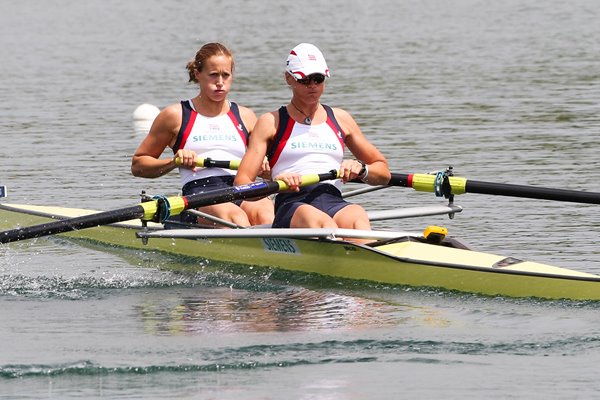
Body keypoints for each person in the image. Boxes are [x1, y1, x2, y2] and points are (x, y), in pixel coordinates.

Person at [234, 43, 390, 232]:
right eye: (305, 79)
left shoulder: (341, 119)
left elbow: (383, 172)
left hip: (332, 199)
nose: (313, 86)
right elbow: (241, 183)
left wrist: (362, 169)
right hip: (292, 204)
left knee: (357, 216)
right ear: (288, 78)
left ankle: (366, 257)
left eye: (318, 79)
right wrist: (275, 185)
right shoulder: (271, 122)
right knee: (324, 224)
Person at [131, 42, 274, 227]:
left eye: (226, 75)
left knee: (268, 216)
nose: (220, 82)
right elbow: (138, 164)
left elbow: (272, 164)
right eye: (213, 75)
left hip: (243, 187)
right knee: (236, 219)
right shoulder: (176, 115)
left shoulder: (246, 116)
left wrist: (266, 168)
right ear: (198, 74)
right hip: (200, 193)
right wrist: (174, 162)